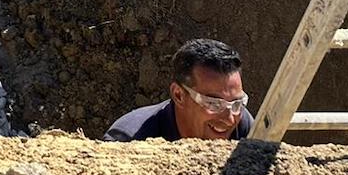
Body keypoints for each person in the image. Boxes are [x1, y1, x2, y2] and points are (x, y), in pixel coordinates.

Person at [105, 38, 254, 141]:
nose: (229, 119)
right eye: (213, 104)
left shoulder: (242, 125)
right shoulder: (129, 140)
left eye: (237, 103)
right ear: (179, 95)